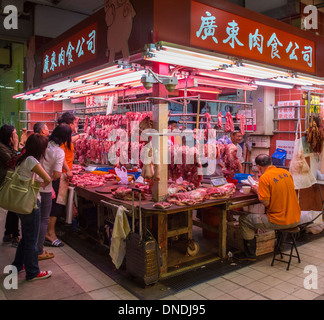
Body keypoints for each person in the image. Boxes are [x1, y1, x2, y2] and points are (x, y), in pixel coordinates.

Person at [235, 154, 301, 261]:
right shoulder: (286, 173)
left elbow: (265, 202)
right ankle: (279, 247)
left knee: (244, 220)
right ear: (271, 163)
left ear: (259, 167)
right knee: (281, 215)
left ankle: (250, 255)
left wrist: (257, 190)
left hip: (280, 221)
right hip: (296, 218)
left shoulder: (265, 177)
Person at [11, 133, 52, 281]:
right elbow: (47, 178)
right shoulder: (32, 160)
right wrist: (39, 186)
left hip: (20, 203)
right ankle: (33, 272)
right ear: (40, 148)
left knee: (26, 237)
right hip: (31, 204)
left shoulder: (22, 158)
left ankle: (18, 265)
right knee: (32, 240)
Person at [45, 112, 84, 247]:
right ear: (70, 123)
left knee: (55, 204)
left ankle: (49, 232)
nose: (76, 125)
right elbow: (60, 154)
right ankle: (49, 234)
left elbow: (67, 144)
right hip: (59, 175)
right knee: (55, 205)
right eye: (75, 123)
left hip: (60, 174)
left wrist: (80, 136)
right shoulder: (59, 143)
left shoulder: (58, 136)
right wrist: (67, 170)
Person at [38, 124, 71, 259]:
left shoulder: (43, 143)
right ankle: (40, 249)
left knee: (37, 217)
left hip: (34, 184)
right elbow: (57, 175)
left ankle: (37, 248)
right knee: (44, 218)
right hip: (45, 186)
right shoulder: (58, 151)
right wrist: (52, 176)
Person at [0, 124, 20, 247]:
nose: (16, 135)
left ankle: (9, 234)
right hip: (4, 180)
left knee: (13, 208)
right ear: (9, 136)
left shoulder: (6, 146)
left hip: (8, 179)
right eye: (15, 133)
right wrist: (16, 145)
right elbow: (13, 161)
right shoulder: (1, 148)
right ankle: (14, 235)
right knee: (14, 208)